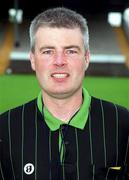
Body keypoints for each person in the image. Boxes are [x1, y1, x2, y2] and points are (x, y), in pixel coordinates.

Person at [0, 7, 129, 180]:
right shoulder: (4, 129)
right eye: (48, 51)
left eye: (70, 51)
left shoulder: (124, 125)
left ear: (87, 59)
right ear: (32, 60)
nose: (59, 61)